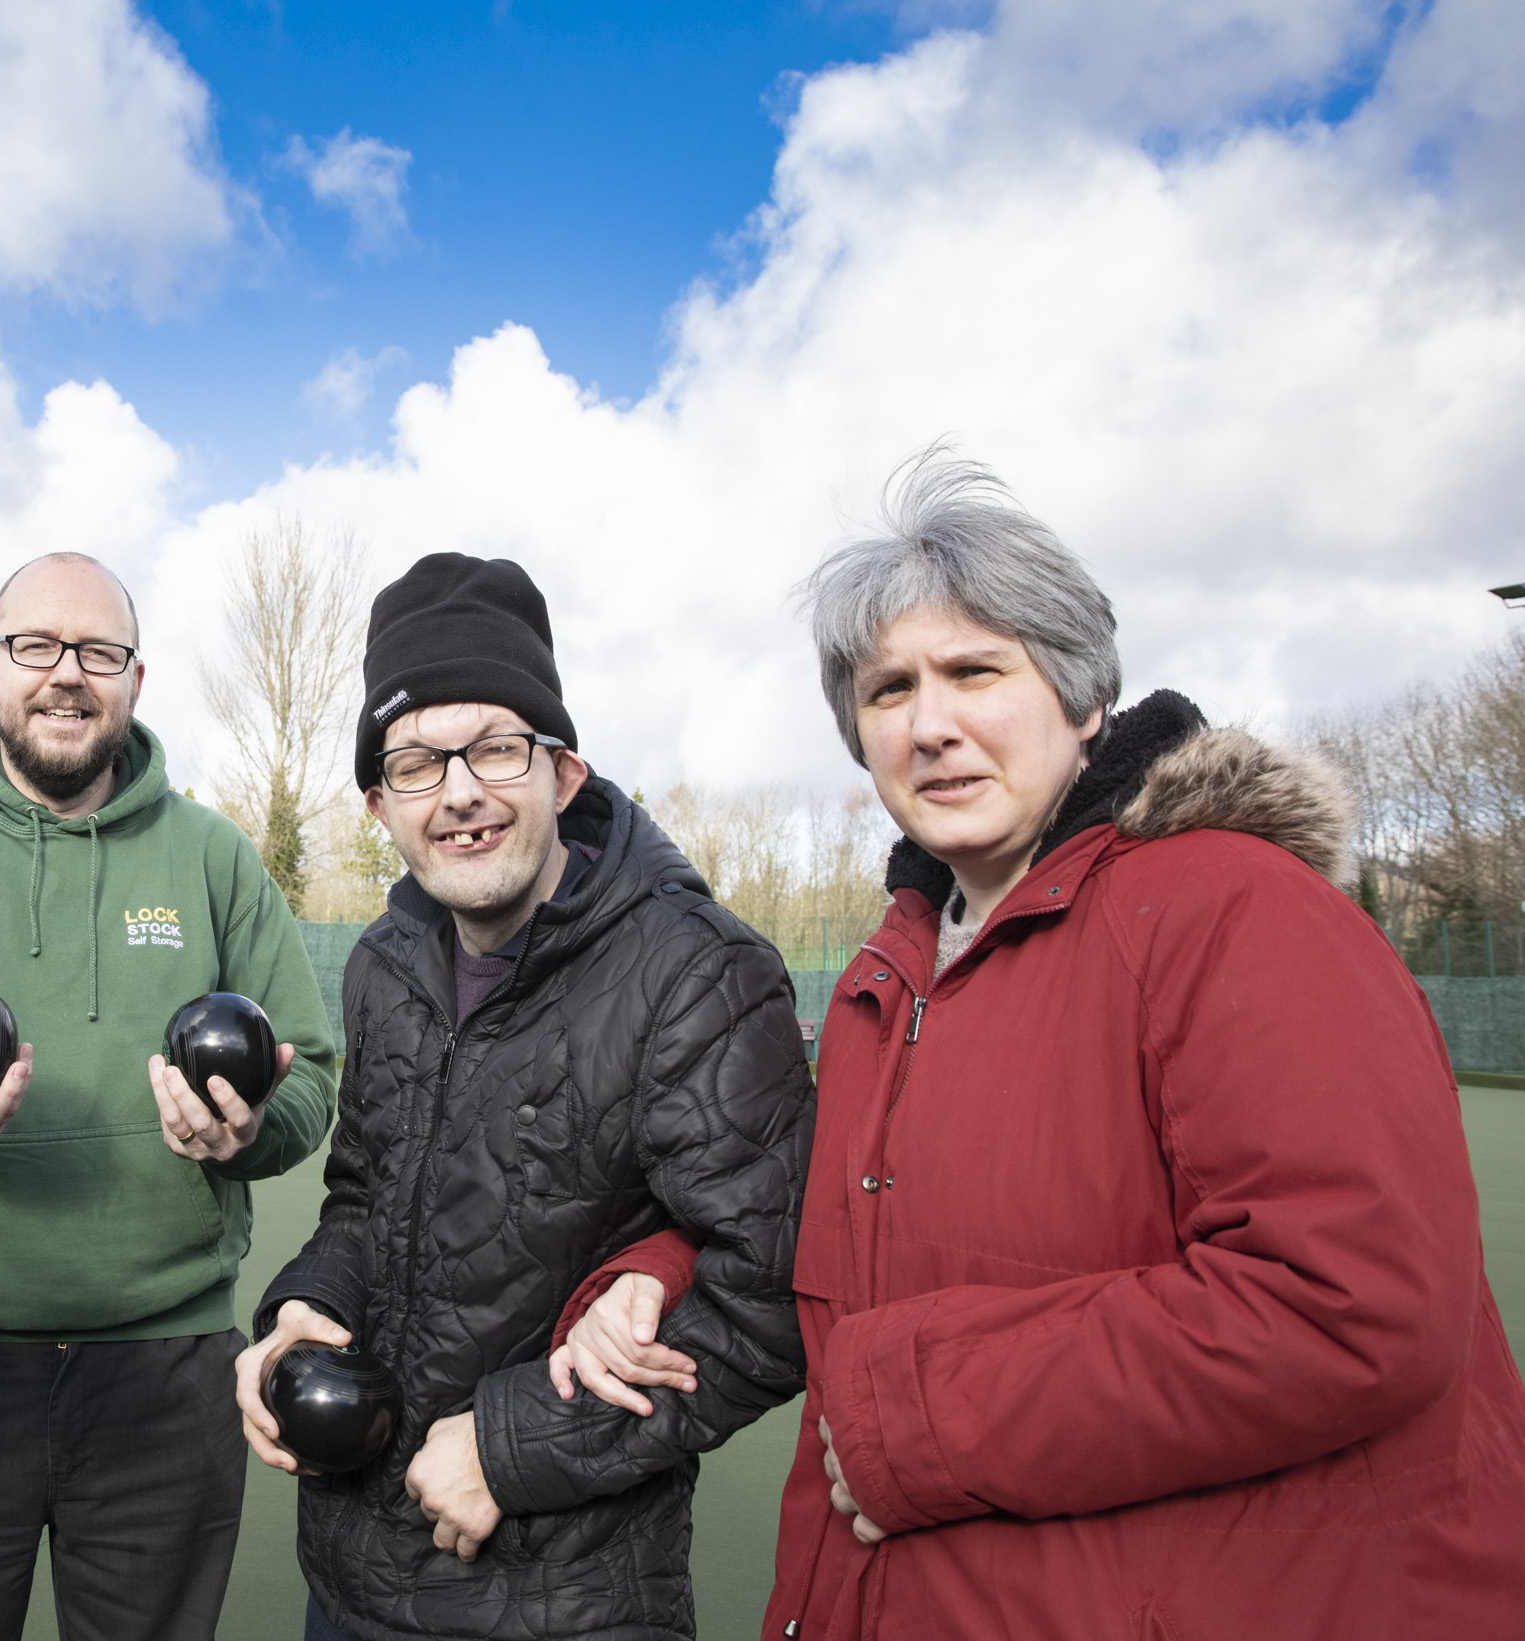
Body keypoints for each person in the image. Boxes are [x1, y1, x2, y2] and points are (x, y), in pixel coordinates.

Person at [553, 451, 1525, 1639]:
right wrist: (656, 1266)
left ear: (1080, 700)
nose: (933, 725)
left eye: (976, 672)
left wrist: (911, 1419)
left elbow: (1346, 1303)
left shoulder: (1233, 907)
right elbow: (826, 1216)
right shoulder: (888, 976)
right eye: (889, 690)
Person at [237, 552, 817, 1641]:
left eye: (495, 748)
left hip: (564, 1602)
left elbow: (773, 1293)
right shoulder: (383, 964)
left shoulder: (696, 973)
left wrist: (510, 1450)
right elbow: (365, 1199)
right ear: (379, 803)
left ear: (562, 774)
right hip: (353, 1578)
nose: (459, 793)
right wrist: (308, 1306)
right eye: (415, 763)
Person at [0, 551, 339, 1641]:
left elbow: (308, 1075)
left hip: (165, 1375)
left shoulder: (214, 856)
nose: (66, 675)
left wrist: (242, 1135)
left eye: (98, 652)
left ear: (136, 678)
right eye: (34, 647)